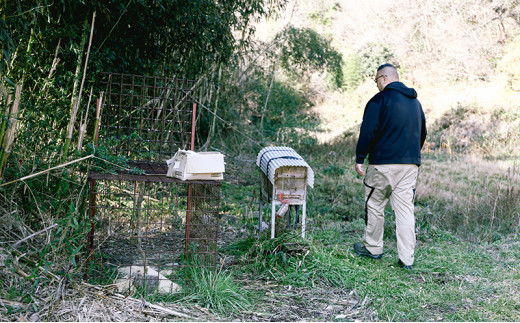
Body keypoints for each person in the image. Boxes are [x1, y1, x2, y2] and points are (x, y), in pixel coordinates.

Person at [353, 63, 427, 270]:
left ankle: (373, 248)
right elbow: (422, 133)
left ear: (384, 78)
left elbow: (368, 131)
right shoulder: (416, 103)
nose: (376, 85)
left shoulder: (380, 100)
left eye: (376, 80)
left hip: (382, 165)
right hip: (410, 165)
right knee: (405, 211)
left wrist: (360, 157)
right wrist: (411, 155)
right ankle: (407, 259)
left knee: (375, 205)